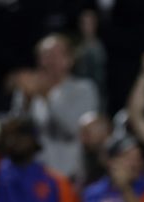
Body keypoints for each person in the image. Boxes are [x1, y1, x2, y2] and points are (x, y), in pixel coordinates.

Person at [11, 33, 100, 179]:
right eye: (45, 55)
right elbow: (18, 133)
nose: (50, 61)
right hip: (35, 176)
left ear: (70, 60)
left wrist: (47, 96)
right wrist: (26, 102)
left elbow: (73, 128)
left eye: (56, 55)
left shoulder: (84, 89)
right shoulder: (28, 91)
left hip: (70, 176)